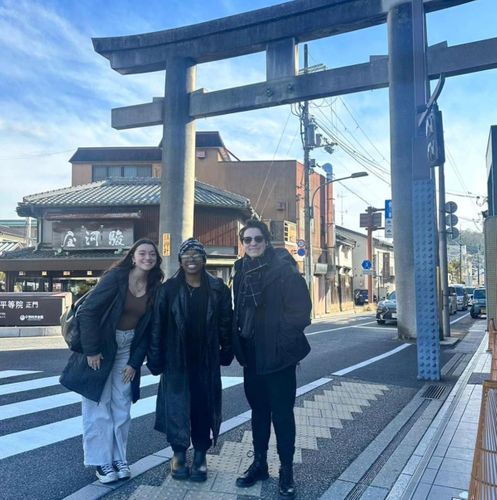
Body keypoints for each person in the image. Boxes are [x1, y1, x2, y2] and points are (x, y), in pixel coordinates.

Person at [60, 238, 163, 484]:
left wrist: (135, 363)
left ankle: (119, 458)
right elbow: (88, 311)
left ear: (157, 259)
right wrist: (92, 350)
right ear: (133, 256)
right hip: (103, 345)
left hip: (128, 348)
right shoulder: (116, 277)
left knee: (122, 406)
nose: (147, 257)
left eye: (152, 254)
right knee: (98, 404)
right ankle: (101, 461)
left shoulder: (155, 286)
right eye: (142, 253)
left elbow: (148, 329)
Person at [232, 219, 311, 499]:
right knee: (258, 412)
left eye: (257, 239)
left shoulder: (284, 270)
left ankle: (287, 470)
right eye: (247, 240)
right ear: (242, 244)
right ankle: (260, 464)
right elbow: (239, 310)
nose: (252, 244)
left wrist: (281, 345)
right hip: (252, 355)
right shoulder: (240, 270)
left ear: (266, 242)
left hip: (278, 357)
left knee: (282, 413)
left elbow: (301, 313)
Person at [147, 238, 233, 482]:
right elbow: (157, 327)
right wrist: (155, 358)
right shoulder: (168, 290)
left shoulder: (218, 289)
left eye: (196, 254)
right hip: (175, 360)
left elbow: (226, 323)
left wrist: (227, 350)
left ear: (204, 259)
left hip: (206, 361)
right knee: (176, 409)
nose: (191, 259)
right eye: (187, 255)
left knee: (203, 408)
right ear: (180, 260)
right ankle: (178, 455)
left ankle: (201, 457)